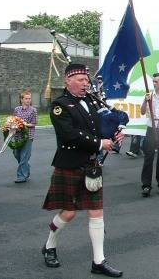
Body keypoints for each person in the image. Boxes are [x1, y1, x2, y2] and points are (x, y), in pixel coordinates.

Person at [42, 63, 123, 277]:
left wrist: (114, 136)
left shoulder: (91, 102)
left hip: (91, 166)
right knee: (68, 213)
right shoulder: (60, 105)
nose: (85, 83)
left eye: (87, 80)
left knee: (96, 212)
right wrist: (99, 144)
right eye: (80, 80)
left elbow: (101, 128)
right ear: (68, 81)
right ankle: (50, 245)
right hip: (69, 164)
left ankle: (99, 261)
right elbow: (69, 134)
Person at [12, 90, 38, 183]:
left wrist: (24, 124)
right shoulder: (17, 109)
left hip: (28, 136)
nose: (28, 100)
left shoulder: (33, 110)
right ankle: (26, 166)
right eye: (26, 98)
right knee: (16, 154)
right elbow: (13, 120)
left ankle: (21, 176)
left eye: (29, 98)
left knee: (24, 156)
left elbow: (34, 123)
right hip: (17, 136)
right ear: (21, 99)